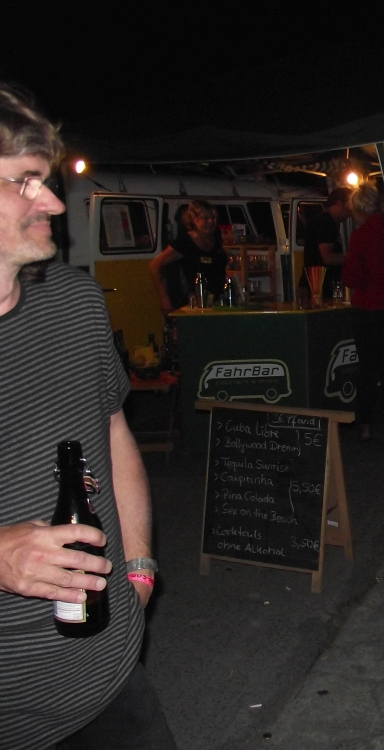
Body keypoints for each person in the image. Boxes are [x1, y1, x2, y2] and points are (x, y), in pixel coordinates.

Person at [0, 84, 175, 748]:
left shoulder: (74, 301)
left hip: (110, 678)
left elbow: (113, 431)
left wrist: (139, 569)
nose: (51, 202)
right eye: (24, 182)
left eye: (45, 181)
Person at [342, 182, 384, 441]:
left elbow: (351, 278)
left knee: (367, 369)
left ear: (359, 209)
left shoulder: (360, 235)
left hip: (366, 309)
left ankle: (365, 425)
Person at [149, 199, 227, 312]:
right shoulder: (185, 241)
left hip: (218, 300)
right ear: (194, 220)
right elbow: (154, 265)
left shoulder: (216, 237)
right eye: (205, 218)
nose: (210, 221)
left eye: (213, 217)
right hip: (194, 301)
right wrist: (164, 299)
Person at [300, 187, 352, 300]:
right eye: (350, 205)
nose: (351, 211)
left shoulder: (327, 222)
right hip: (319, 286)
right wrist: (353, 259)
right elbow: (328, 257)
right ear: (340, 203)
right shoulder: (325, 223)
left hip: (320, 284)